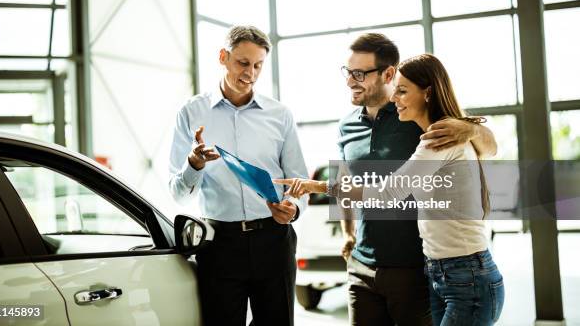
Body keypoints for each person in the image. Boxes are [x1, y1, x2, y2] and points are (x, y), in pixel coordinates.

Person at [276, 33, 497, 326]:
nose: (349, 81)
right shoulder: (346, 127)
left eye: (358, 73)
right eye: (347, 72)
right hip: (362, 265)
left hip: (414, 269)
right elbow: (346, 180)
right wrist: (348, 233)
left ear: (388, 73)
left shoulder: (415, 116)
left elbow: (487, 146)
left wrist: (471, 129)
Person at [169, 26, 308, 326]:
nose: (251, 73)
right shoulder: (192, 113)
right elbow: (178, 193)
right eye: (243, 63)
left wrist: (293, 206)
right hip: (220, 245)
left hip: (274, 240)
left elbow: (298, 178)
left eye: (258, 65)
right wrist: (194, 163)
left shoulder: (279, 114)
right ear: (223, 57)